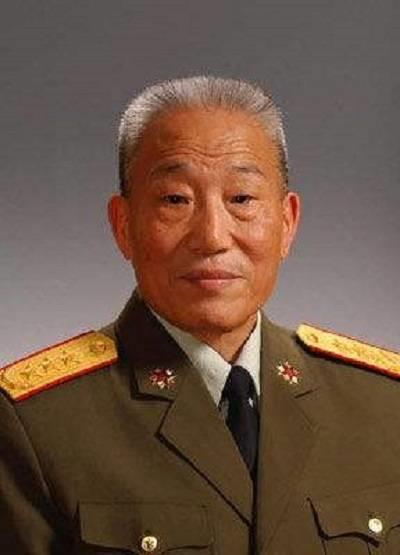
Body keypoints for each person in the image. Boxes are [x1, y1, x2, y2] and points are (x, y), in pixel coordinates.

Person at [1, 76, 400, 555]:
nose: (212, 236)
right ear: (123, 225)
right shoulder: (34, 425)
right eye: (176, 200)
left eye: (241, 199)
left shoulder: (383, 404)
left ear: (287, 222)